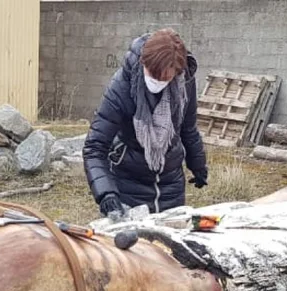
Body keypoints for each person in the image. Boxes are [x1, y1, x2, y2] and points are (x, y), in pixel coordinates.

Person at [84, 28, 208, 219]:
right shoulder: (121, 87)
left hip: (171, 185)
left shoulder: (184, 83)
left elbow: (188, 128)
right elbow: (94, 147)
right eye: (154, 75)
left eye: (166, 78)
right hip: (128, 184)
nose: (158, 82)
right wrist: (106, 193)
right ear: (144, 63)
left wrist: (198, 164)